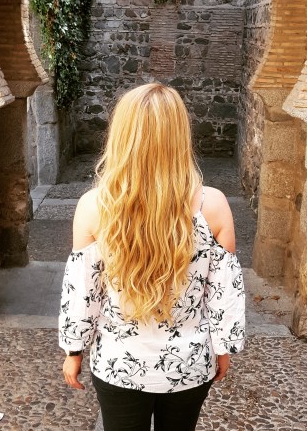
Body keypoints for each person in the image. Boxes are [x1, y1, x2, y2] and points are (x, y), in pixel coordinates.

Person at [59, 83, 245, 431]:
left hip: (118, 365)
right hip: (190, 364)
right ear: (180, 136)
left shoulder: (94, 207)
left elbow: (83, 294)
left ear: (121, 135)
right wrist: (223, 349)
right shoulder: (214, 205)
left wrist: (74, 352)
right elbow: (223, 294)